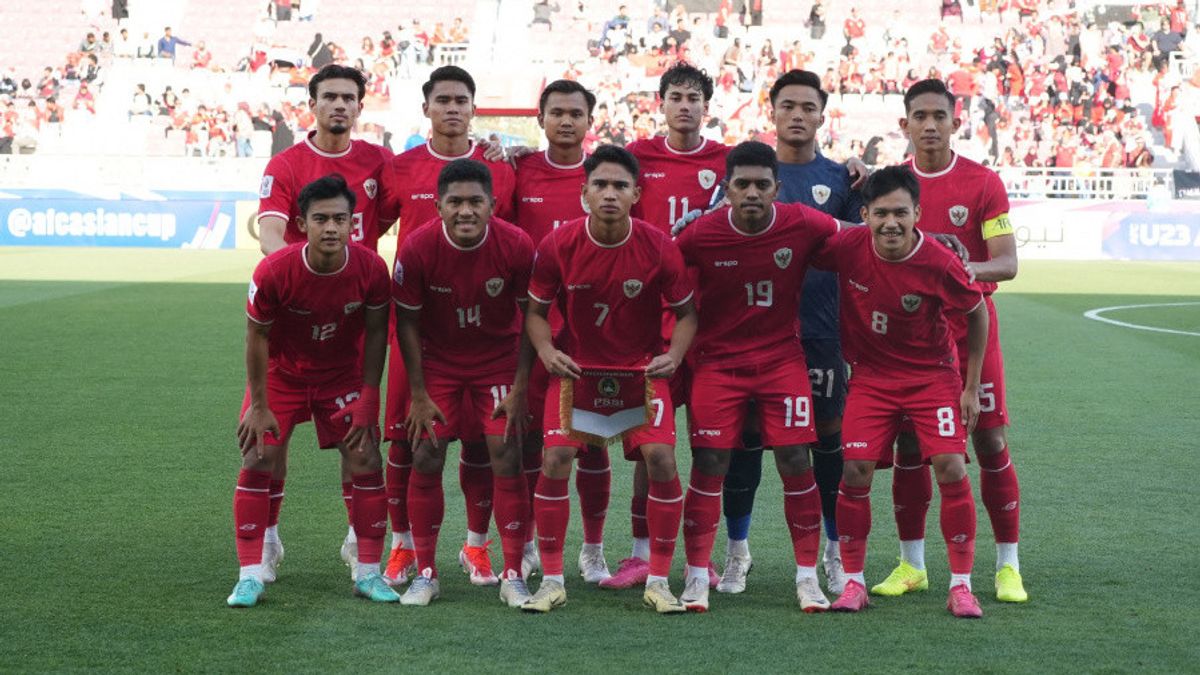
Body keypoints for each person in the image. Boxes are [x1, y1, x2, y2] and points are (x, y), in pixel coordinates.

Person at [521, 144, 697, 614]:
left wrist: (674, 355)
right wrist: (547, 350)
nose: (610, 194)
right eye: (600, 184)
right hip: (578, 368)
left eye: (620, 186)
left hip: (639, 370)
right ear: (584, 193)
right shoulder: (557, 245)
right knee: (556, 457)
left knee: (661, 459)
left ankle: (659, 579)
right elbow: (535, 314)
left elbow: (686, 315)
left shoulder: (660, 246)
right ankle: (553, 580)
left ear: (637, 193)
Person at [708, 70, 864, 597]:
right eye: (788, 106)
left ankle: (833, 552)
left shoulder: (844, 178)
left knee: (825, 444)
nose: (798, 115)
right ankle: (738, 553)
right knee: (744, 442)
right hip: (751, 336)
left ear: (823, 114)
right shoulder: (744, 171)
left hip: (821, 333)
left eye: (808, 107)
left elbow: (859, 246)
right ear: (771, 111)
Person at [675, 141, 845, 613]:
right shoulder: (701, 235)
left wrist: (929, 238)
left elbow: (857, 235)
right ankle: (696, 576)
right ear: (726, 188)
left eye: (761, 185)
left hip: (781, 363)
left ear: (776, 189)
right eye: (742, 184)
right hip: (718, 365)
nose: (752, 192)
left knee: (796, 460)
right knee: (710, 465)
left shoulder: (801, 221)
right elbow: (660, 272)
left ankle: (807, 577)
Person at [876, 78, 1027, 604]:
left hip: (972, 335)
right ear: (905, 124)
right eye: (919, 116)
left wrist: (955, 268)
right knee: (911, 447)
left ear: (956, 121)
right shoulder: (889, 186)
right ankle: (911, 564)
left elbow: (1007, 263)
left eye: (939, 115)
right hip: (910, 342)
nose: (930, 125)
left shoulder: (983, 183)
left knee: (988, 443)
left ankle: (1007, 565)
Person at [818, 166, 988, 619]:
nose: (890, 222)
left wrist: (971, 388)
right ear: (865, 214)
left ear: (917, 213)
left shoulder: (938, 260)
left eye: (900, 212)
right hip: (872, 377)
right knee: (854, 471)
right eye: (880, 214)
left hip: (931, 377)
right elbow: (800, 244)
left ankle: (961, 586)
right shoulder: (847, 246)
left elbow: (977, 313)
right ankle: (852, 583)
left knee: (950, 467)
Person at [253, 64, 396, 580]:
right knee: (272, 436)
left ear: (361, 106)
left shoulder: (381, 161)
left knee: (356, 436)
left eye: (349, 97)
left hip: (355, 320)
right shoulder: (287, 165)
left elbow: (424, 207)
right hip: (294, 316)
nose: (339, 105)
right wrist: (301, 280)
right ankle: (267, 537)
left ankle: (359, 537)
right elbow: (271, 234)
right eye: (329, 96)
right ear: (311, 104)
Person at [227, 174, 397, 608]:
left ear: (352, 223)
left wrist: (368, 398)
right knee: (259, 452)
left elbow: (378, 334)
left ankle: (368, 571)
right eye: (320, 219)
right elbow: (256, 338)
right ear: (301, 223)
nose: (331, 228)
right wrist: (260, 404)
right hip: (282, 376)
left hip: (340, 376)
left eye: (340, 219)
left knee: (365, 455)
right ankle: (250, 574)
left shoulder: (370, 269)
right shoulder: (274, 270)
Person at [382, 65, 517, 588]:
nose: (453, 108)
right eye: (443, 100)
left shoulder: (499, 167)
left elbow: (513, 243)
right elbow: (363, 231)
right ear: (427, 109)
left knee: (486, 444)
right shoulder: (400, 167)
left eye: (462, 100)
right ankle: (403, 548)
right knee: (408, 442)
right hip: (417, 329)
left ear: (474, 109)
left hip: (485, 331)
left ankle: (476, 547)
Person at [599, 63, 728, 591]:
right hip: (649, 322)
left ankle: (701, 557)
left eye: (694, 97)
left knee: (708, 444)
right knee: (647, 444)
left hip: (710, 321)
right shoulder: (636, 157)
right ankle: (638, 554)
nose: (685, 105)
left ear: (706, 105)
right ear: (661, 102)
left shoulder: (726, 162)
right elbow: (584, 179)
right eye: (675, 96)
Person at [393, 159, 536, 607]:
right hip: (440, 367)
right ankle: (428, 572)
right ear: (438, 206)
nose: (466, 211)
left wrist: (519, 387)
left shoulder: (516, 245)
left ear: (493, 205)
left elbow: (534, 318)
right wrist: (417, 393)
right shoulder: (416, 249)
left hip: (496, 362)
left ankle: (513, 573)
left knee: (506, 453)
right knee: (426, 453)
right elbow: (407, 324)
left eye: (476, 201)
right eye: (455, 202)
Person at [513, 79, 613, 583]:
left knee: (592, 443)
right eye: (557, 112)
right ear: (541, 118)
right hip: (532, 330)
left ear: (590, 121)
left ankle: (593, 550)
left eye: (577, 112)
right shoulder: (518, 168)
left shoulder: (608, 174)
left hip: (594, 332)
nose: (567, 120)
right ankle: (529, 543)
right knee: (534, 441)